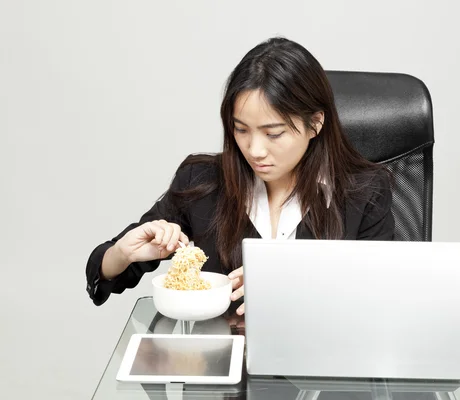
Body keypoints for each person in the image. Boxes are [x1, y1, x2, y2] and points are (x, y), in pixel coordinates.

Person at [85, 37, 395, 315]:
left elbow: (382, 298)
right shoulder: (201, 181)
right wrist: (121, 254)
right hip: (221, 365)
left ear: (315, 124)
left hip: (322, 367)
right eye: (241, 130)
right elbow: (106, 273)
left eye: (273, 133)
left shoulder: (364, 191)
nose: (254, 150)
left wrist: (295, 283)